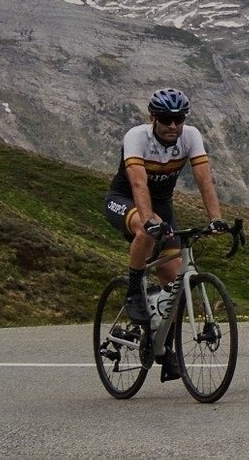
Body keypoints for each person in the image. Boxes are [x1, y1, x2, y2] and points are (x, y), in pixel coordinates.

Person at [101, 88, 229, 382]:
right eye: (166, 119)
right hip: (123, 199)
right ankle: (134, 290)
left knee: (174, 281)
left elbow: (204, 179)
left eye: (179, 119)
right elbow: (137, 183)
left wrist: (216, 218)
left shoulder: (190, 136)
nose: (173, 125)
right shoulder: (137, 137)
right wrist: (147, 219)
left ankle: (163, 349)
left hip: (162, 205)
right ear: (153, 118)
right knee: (146, 230)